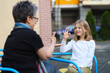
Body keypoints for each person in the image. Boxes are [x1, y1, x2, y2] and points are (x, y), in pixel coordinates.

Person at [1, 1, 60, 73]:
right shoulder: (32, 35)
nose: (35, 21)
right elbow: (46, 56)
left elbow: (36, 49)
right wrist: (53, 42)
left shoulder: (11, 36)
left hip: (10, 71)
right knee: (51, 67)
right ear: (29, 19)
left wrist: (49, 45)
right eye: (35, 18)